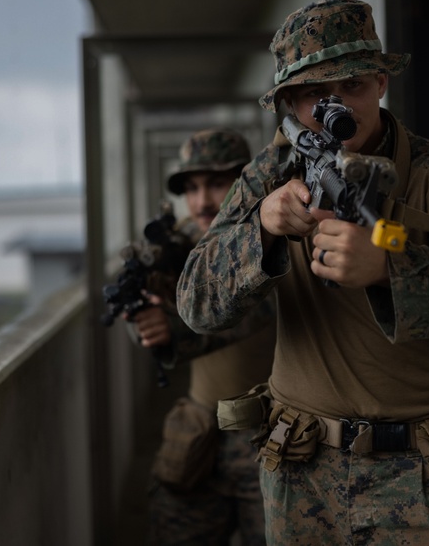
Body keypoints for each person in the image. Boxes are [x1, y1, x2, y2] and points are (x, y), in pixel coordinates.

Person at [176, 0, 429, 545]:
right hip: (300, 472)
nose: (337, 107)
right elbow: (195, 304)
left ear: (381, 83)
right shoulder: (266, 177)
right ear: (289, 103)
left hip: (425, 478)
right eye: (315, 95)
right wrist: (260, 233)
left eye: (354, 86)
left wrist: (392, 269)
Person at [126, 128, 277, 546]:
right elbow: (146, 328)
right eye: (191, 188)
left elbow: (249, 314)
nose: (200, 201)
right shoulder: (189, 248)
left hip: (269, 435)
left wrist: (174, 327)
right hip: (200, 428)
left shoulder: (272, 242)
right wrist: (144, 315)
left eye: (215, 183)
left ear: (245, 181)